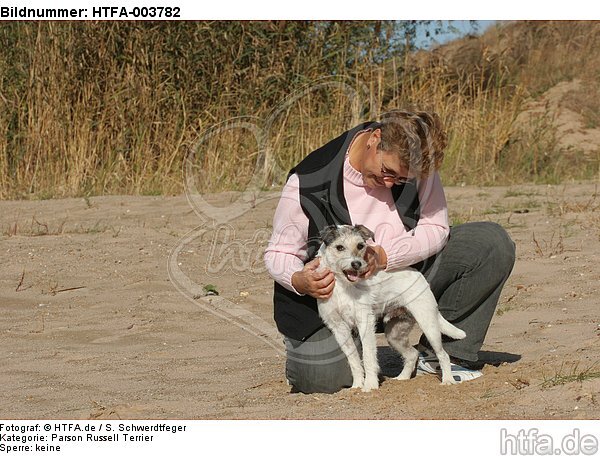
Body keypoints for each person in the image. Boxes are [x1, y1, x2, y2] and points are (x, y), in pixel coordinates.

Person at [264, 110, 516, 394]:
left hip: (400, 280)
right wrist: (299, 280)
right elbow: (279, 252)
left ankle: (446, 355)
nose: (389, 183)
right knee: (320, 379)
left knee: (490, 242)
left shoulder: (416, 166)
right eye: (387, 172)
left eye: (401, 181)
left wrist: (386, 256)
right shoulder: (307, 180)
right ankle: (306, 360)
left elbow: (436, 228)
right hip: (333, 297)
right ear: (375, 139)